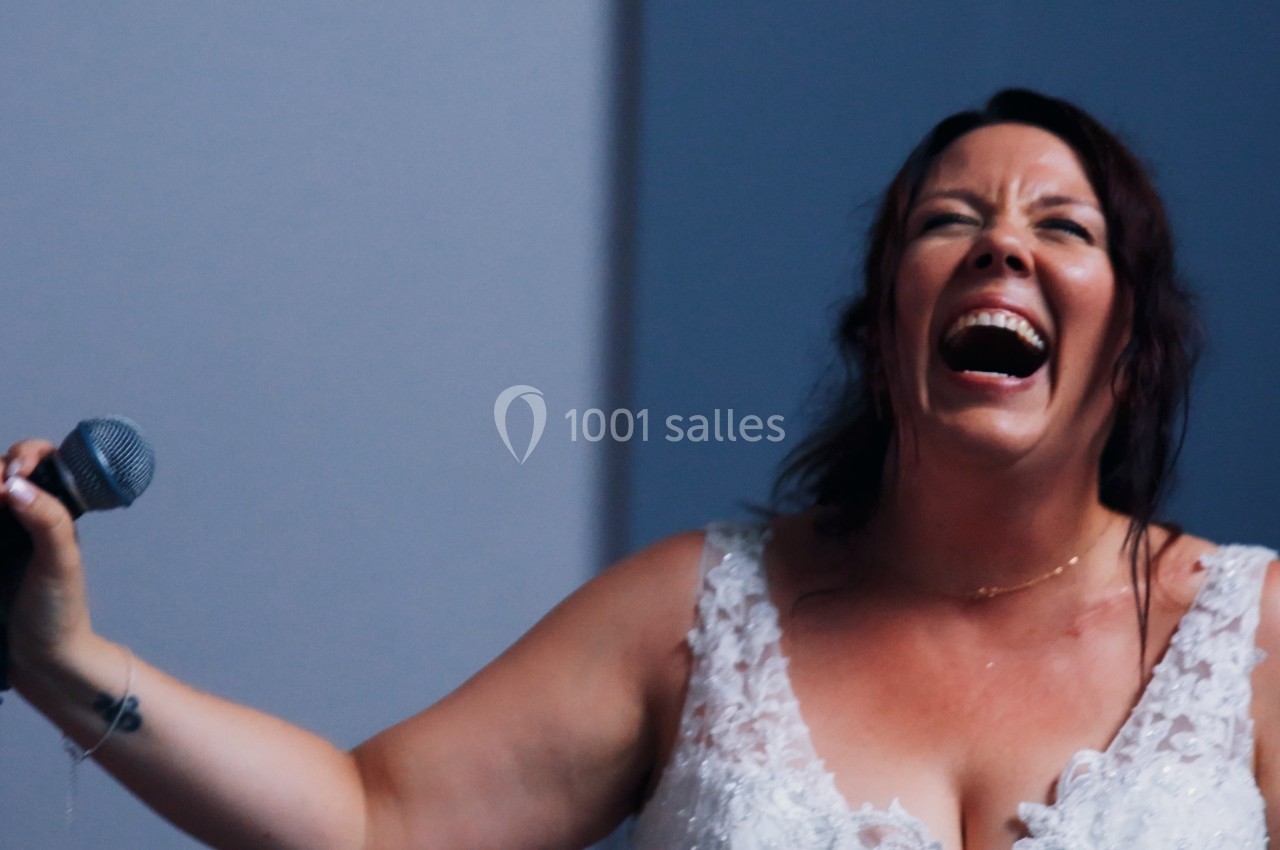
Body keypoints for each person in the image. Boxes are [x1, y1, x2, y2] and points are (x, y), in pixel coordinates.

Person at [1, 88, 1275, 850]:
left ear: (1130, 349)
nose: (1000, 246)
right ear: (884, 338)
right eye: (949, 221)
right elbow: (366, 821)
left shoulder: (1253, 637)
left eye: (1061, 227)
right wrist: (59, 659)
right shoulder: (695, 614)